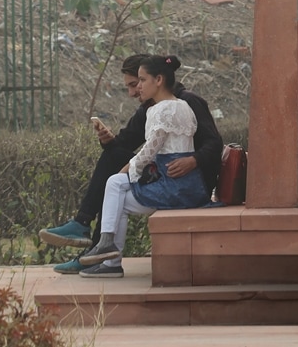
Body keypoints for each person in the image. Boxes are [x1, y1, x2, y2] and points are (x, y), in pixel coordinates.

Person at [40, 53, 222, 275]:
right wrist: (108, 140)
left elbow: (213, 143)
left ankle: (96, 246)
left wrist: (193, 160)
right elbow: (126, 144)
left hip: (189, 178)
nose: (133, 92)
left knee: (116, 184)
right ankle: (97, 246)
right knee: (114, 165)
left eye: (138, 83)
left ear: (158, 79)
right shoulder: (152, 107)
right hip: (167, 173)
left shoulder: (185, 102)